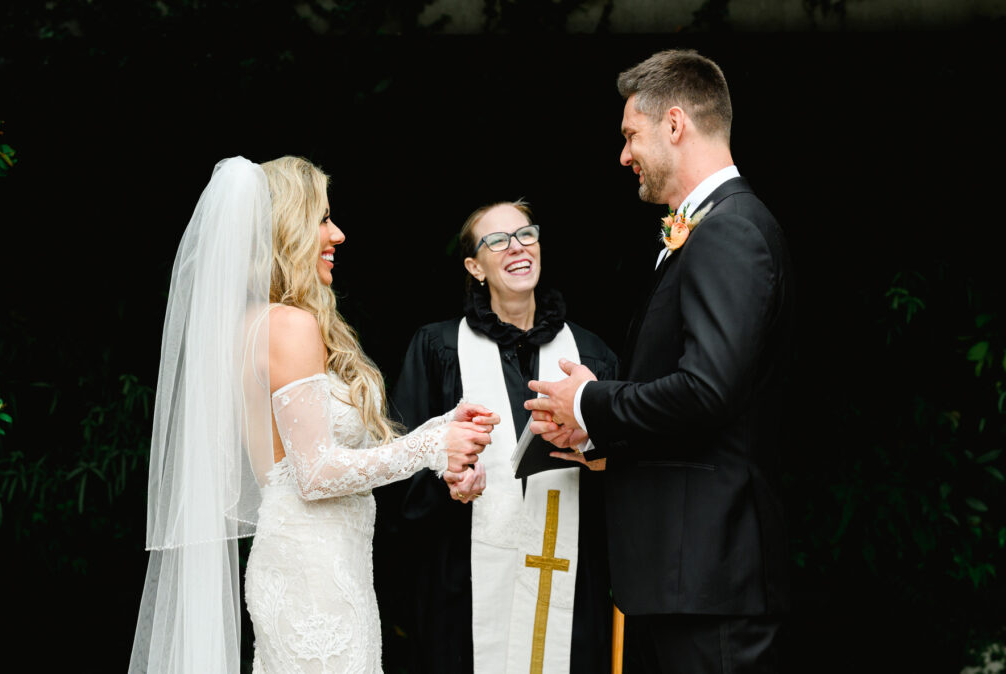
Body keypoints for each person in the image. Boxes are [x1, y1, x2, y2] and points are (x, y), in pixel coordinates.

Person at [128, 155, 498, 673]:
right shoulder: (289, 326)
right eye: (322, 218)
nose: (338, 234)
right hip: (314, 577)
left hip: (319, 567)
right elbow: (315, 473)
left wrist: (443, 436)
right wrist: (429, 447)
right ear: (287, 229)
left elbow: (327, 455)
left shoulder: (255, 324)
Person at [526, 50, 793, 672]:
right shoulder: (707, 229)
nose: (623, 155)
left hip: (711, 574)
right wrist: (599, 437)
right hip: (685, 577)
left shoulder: (731, 231)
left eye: (630, 135)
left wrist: (591, 401)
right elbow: (701, 405)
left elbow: (707, 391)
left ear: (674, 125)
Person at [386, 201, 618, 673]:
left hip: (571, 572)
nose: (516, 247)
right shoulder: (438, 350)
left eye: (525, 234)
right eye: (497, 240)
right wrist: (448, 481)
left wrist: (595, 452)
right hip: (464, 580)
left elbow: (627, 473)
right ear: (475, 266)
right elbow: (397, 467)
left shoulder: (590, 355)